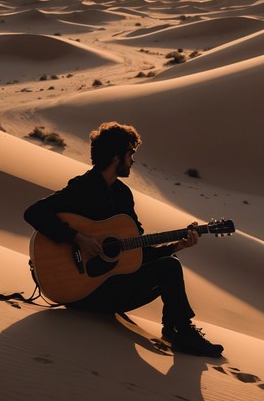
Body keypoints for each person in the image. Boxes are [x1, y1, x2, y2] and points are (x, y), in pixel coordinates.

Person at [23, 121, 224, 357]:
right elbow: (34, 213)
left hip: (110, 291)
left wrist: (175, 246)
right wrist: (78, 238)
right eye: (131, 154)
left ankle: (176, 330)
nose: (133, 160)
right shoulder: (83, 188)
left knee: (170, 265)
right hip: (80, 294)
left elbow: (136, 252)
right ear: (116, 158)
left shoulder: (122, 195)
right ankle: (181, 333)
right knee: (170, 267)